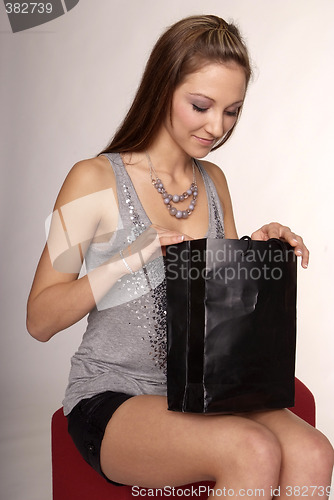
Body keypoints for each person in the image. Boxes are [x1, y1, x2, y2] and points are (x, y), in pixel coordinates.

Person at [27, 14, 333, 498]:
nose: (217, 126)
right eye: (201, 105)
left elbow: (222, 319)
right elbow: (39, 320)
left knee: (316, 452)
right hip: (115, 393)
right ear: (163, 88)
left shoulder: (214, 183)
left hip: (204, 388)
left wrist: (256, 254)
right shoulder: (90, 180)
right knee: (250, 449)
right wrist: (125, 261)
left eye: (232, 111)